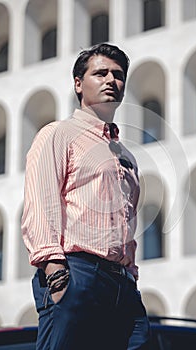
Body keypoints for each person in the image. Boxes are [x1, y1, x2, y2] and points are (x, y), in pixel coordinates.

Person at [21, 43, 151, 350]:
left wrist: (130, 276)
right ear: (79, 83)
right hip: (76, 273)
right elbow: (42, 203)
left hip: (121, 283)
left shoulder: (126, 156)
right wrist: (55, 272)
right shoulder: (58, 134)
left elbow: (127, 221)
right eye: (101, 73)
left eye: (118, 75)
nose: (111, 81)